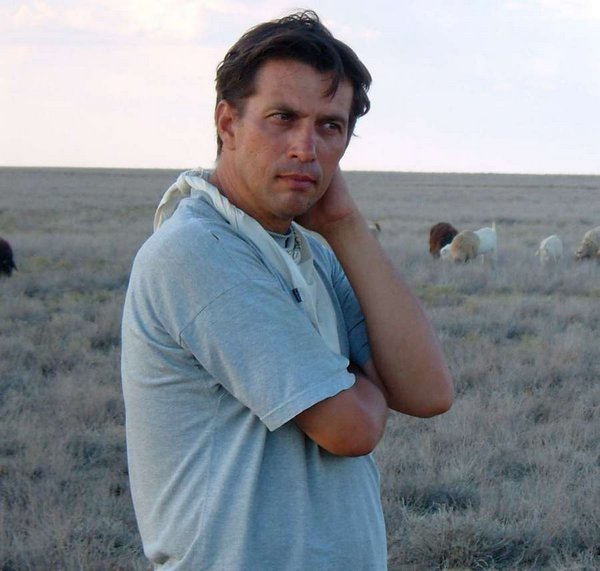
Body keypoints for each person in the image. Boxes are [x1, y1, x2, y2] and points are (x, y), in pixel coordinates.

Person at [121, 10, 453, 570]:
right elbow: (349, 429)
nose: (306, 147)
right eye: (283, 117)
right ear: (227, 122)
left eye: (330, 126)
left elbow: (427, 392)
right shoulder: (198, 250)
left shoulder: (311, 251)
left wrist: (344, 223)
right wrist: (370, 382)